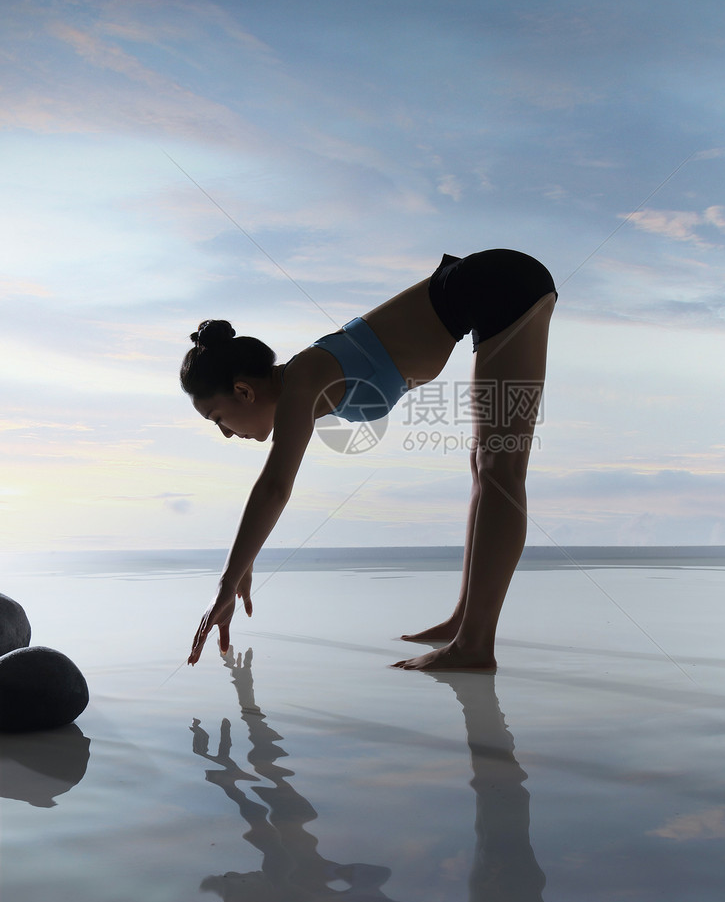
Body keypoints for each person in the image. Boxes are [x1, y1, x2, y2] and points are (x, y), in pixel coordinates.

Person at [181, 249, 557, 672]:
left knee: (499, 468)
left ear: (244, 391)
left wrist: (227, 583)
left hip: (501, 284)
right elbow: (274, 485)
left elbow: (274, 487)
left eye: (218, 419)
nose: (227, 433)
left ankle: (475, 644)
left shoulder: (303, 379)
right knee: (485, 466)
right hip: (486, 289)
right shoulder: (303, 380)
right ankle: (463, 620)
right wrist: (243, 564)